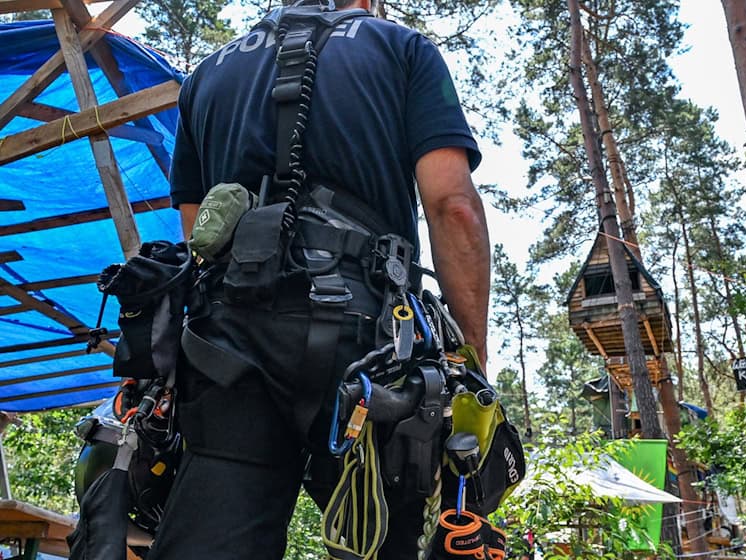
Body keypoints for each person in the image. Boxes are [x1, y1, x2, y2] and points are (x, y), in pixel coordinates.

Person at [146, 0, 490, 557]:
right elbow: (454, 206)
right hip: (368, 348)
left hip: (229, 348)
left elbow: (198, 232)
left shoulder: (206, 77)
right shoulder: (401, 48)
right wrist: (469, 356)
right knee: (377, 536)